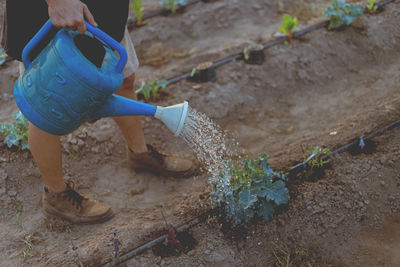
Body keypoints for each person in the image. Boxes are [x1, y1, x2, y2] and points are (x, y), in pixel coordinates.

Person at [1, 0, 195, 224]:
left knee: (123, 79)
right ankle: (56, 195)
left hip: (99, 9)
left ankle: (140, 154)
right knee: (45, 103)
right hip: (48, 11)